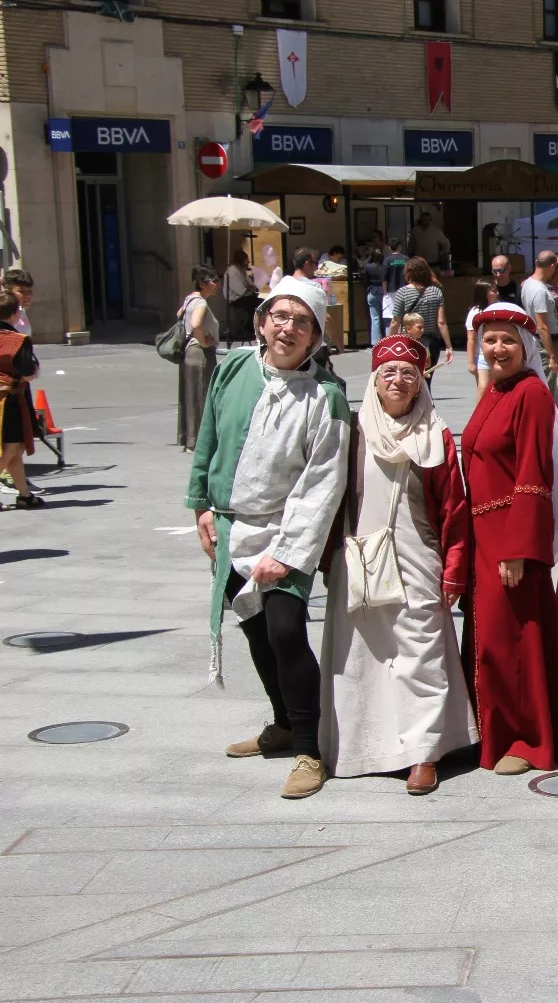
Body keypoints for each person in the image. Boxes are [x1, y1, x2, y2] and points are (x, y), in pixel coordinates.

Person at [189, 278, 350, 799]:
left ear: (315, 336)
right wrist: (202, 506)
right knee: (255, 629)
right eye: (280, 316)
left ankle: (309, 746)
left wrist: (287, 552)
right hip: (233, 522)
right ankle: (281, 724)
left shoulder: (326, 395)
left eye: (301, 322)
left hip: (288, 528)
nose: (288, 328)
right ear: (262, 322)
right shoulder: (234, 368)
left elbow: (324, 482)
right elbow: (208, 436)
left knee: (284, 630)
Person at [318, 336, 476, 794]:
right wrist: (327, 557)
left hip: (417, 557)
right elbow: (331, 497)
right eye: (389, 372)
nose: (399, 381)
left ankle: (423, 753)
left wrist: (453, 570)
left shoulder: (436, 433)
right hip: (361, 557)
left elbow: (454, 509)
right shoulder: (354, 430)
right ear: (374, 378)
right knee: (365, 655)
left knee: (420, 655)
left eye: (409, 373)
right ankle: (367, 746)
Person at [460, 302, 558, 774]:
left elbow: (534, 473)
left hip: (511, 535)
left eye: (508, 340)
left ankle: (527, 739)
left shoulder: (530, 393)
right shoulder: (495, 390)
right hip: (483, 533)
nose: (497, 348)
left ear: (526, 346)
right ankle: (492, 730)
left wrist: (519, 548)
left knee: (513, 641)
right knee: (489, 637)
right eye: (489, 339)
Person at [0, 290, 41, 509]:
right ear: (15, 314)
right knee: (12, 446)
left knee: (13, 449)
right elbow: (27, 371)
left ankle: (24, 495)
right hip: (9, 398)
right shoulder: (18, 340)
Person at [177, 265, 221, 452]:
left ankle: (190, 439)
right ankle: (199, 442)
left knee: (191, 396)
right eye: (214, 281)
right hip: (200, 353)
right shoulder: (201, 303)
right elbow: (195, 323)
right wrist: (203, 341)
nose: (217, 285)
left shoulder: (190, 299)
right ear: (204, 284)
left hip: (189, 353)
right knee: (202, 396)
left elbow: (179, 315)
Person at [390, 258, 452, 377]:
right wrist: (449, 346)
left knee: (409, 379)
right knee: (426, 380)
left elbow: (395, 322)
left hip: (409, 342)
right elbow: (441, 322)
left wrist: (389, 341)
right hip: (431, 341)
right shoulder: (436, 291)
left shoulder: (402, 292)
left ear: (408, 273)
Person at [520, 251, 558, 386]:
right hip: (545, 342)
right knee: (547, 385)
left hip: (542, 340)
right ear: (552, 266)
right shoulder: (539, 290)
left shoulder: (528, 283)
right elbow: (542, 326)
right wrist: (551, 355)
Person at [465, 277, 500, 400]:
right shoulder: (475, 313)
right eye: (493, 291)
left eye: (496, 290)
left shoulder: (498, 309)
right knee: (483, 386)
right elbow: (471, 339)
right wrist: (470, 363)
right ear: (484, 294)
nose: (497, 293)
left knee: (496, 388)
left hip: (497, 354)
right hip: (481, 355)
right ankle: (480, 416)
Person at [222, 250, 259, 347]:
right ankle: (249, 328)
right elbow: (240, 289)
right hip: (235, 299)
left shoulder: (242, 270)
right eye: (247, 260)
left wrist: (249, 288)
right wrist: (248, 288)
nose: (248, 262)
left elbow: (251, 285)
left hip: (244, 296)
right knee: (254, 304)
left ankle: (251, 327)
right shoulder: (232, 271)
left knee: (259, 302)